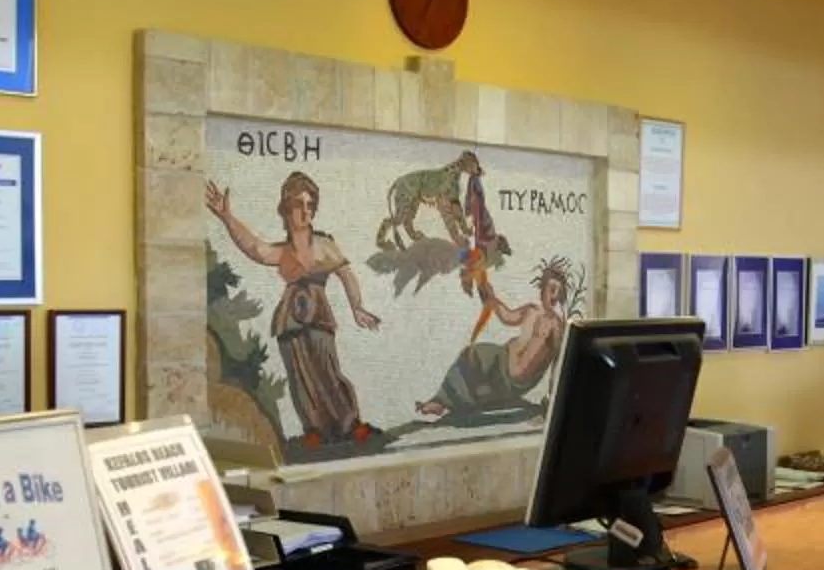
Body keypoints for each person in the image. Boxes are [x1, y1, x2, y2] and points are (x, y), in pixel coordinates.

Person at [206, 171, 381, 448]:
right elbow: (255, 248)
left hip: (319, 316)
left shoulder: (324, 245)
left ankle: (350, 425)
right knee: (301, 375)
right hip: (291, 320)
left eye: (310, 205)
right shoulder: (283, 250)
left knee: (327, 369)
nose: (306, 211)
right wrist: (227, 217)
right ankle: (315, 429)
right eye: (299, 204)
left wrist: (357, 307)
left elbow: (346, 275)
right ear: (286, 209)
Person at [420, 257, 574, 422]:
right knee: (471, 361)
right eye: (551, 289)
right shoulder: (531, 310)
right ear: (542, 288)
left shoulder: (556, 325)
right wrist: (491, 298)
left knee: (475, 355)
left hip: (516, 377)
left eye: (559, 291)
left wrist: (552, 398)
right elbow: (507, 316)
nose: (554, 295)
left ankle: (443, 401)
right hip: (503, 359)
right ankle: (442, 402)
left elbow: (558, 361)